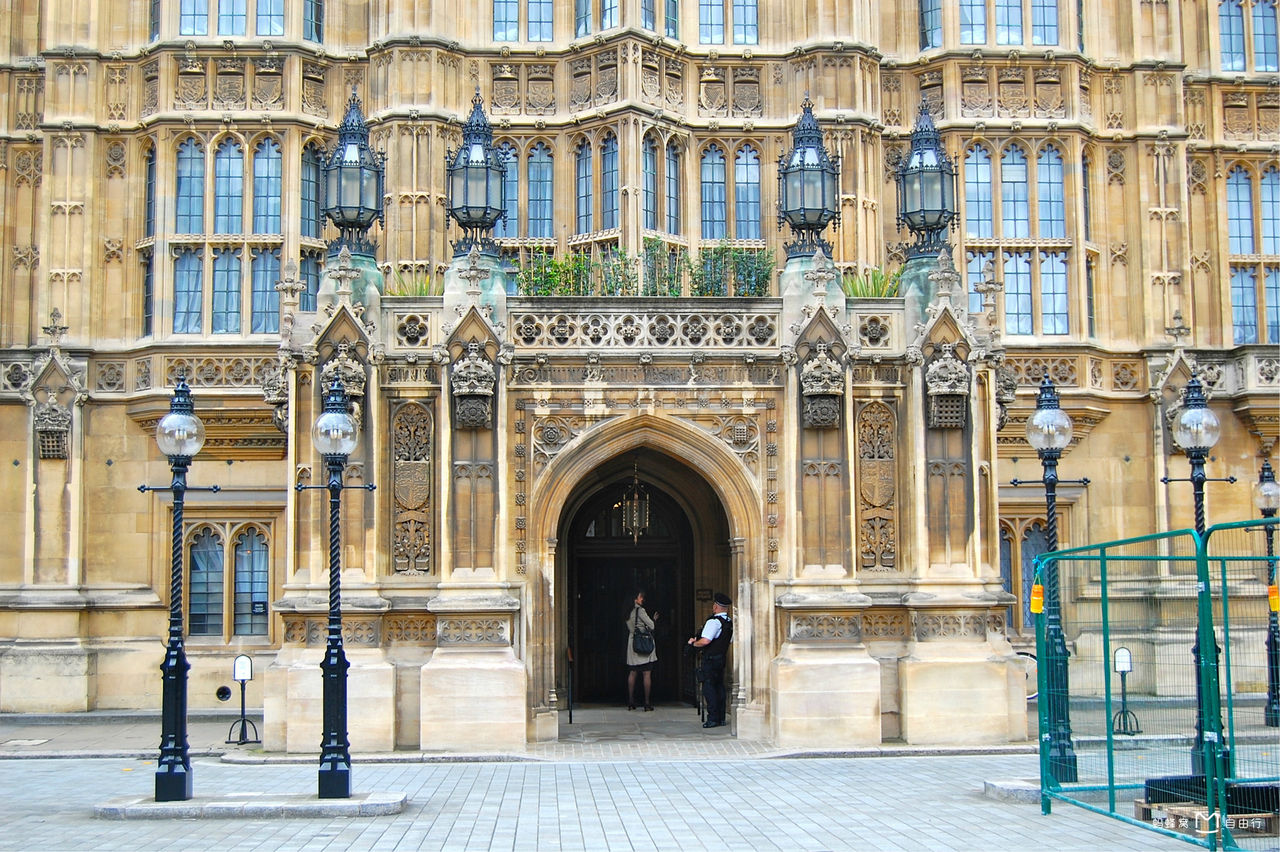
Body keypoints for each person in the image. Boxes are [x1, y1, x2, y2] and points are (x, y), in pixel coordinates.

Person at [687, 592, 733, 728]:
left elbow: (705, 641)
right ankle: (721, 717)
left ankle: (713, 718)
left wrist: (693, 644)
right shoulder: (729, 623)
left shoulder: (714, 622)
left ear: (716, 607)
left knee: (709, 688)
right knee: (719, 687)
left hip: (710, 660)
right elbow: (729, 641)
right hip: (721, 659)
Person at [625, 590, 658, 710]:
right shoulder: (640, 610)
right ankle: (647, 703)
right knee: (646, 673)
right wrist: (653, 620)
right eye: (640, 597)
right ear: (635, 599)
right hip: (643, 644)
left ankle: (630, 701)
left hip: (632, 644)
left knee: (633, 672)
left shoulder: (627, 611)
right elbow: (651, 626)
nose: (642, 599)